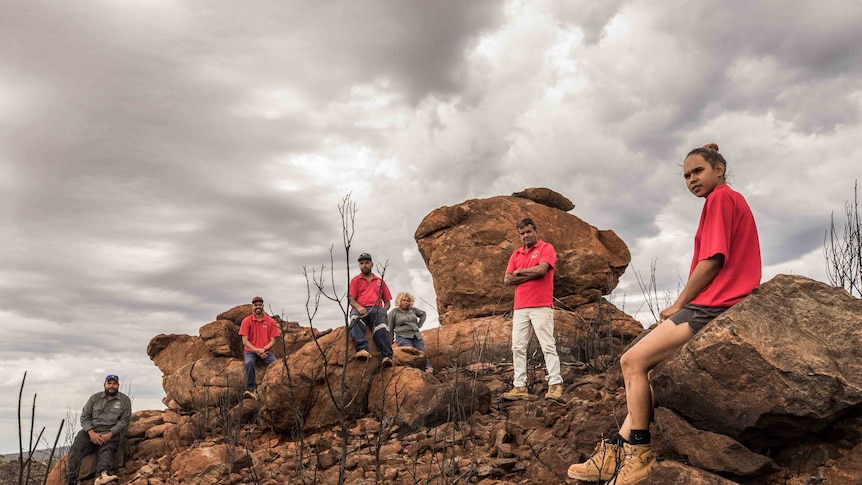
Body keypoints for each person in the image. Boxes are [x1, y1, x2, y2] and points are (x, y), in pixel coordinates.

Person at [567, 143, 762, 485]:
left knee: (632, 361)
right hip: (721, 302)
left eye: (698, 171)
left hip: (713, 304)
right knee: (651, 379)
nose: (691, 180)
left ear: (719, 168)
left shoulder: (720, 199)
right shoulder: (731, 200)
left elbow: (713, 259)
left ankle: (639, 455)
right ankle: (615, 450)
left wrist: (681, 303)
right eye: (686, 175)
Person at [502, 217, 564, 403]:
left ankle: (555, 384)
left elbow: (542, 271)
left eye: (528, 232)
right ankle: (519, 386)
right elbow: (507, 280)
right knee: (518, 347)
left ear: (535, 231)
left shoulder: (546, 248)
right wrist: (528, 273)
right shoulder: (516, 254)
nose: (525, 236)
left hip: (541, 305)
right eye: (522, 233)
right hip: (520, 307)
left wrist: (519, 273)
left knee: (547, 345)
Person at [66, 374, 132, 485]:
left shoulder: (124, 400)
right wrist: (91, 433)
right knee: (76, 450)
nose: (111, 386)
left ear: (118, 385)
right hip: (91, 432)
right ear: (105, 384)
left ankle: (101, 476)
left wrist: (110, 434)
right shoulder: (94, 398)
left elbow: (124, 421)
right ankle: (71, 481)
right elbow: (85, 416)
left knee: (107, 451)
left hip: (111, 433)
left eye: (114, 384)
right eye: (109, 383)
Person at [348, 253, 394, 367]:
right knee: (354, 318)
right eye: (361, 263)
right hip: (360, 308)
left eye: (367, 263)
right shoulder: (355, 280)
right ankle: (362, 349)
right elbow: (351, 300)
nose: (364, 265)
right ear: (359, 265)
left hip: (376, 309)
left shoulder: (380, 281)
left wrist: (383, 311)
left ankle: (386, 356)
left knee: (382, 326)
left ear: (371, 264)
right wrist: (359, 307)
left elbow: (387, 301)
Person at [239, 296, 280, 399]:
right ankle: (250, 389)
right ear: (252, 307)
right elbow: (244, 340)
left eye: (260, 305)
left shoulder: (270, 321)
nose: (258, 307)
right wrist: (256, 350)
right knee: (249, 362)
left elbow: (273, 340)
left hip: (266, 350)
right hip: (251, 350)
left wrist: (264, 349)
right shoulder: (246, 321)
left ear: (263, 306)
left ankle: (274, 387)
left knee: (275, 365)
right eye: (255, 305)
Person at [388, 292, 432, 372]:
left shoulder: (413, 310)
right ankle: (413, 371)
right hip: (403, 336)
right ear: (399, 301)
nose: (406, 302)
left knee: (421, 352)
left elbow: (423, 314)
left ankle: (428, 368)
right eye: (404, 300)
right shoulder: (394, 312)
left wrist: (419, 325)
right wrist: (390, 341)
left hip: (416, 335)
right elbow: (390, 328)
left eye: (408, 301)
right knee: (410, 354)